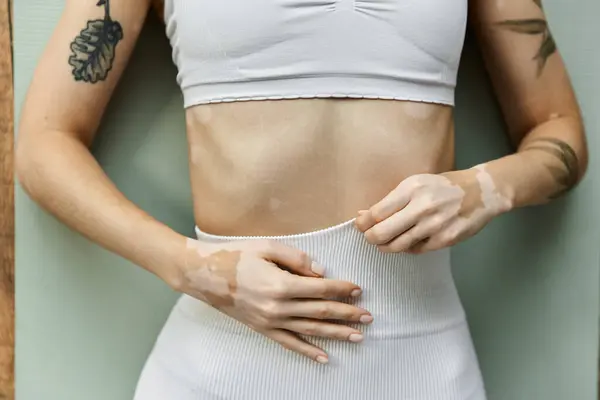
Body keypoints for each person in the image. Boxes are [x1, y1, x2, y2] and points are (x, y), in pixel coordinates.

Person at [15, 0, 588, 399]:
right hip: (222, 369)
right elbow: (44, 145)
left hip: (424, 365)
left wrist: (482, 190)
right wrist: (191, 267)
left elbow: (559, 128)